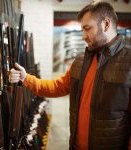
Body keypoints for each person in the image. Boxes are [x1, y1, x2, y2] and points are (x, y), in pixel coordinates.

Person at [10, 1, 131, 150]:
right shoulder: (81, 61)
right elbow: (57, 87)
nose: (83, 36)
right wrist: (26, 79)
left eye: (87, 29)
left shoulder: (128, 61)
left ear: (106, 24)